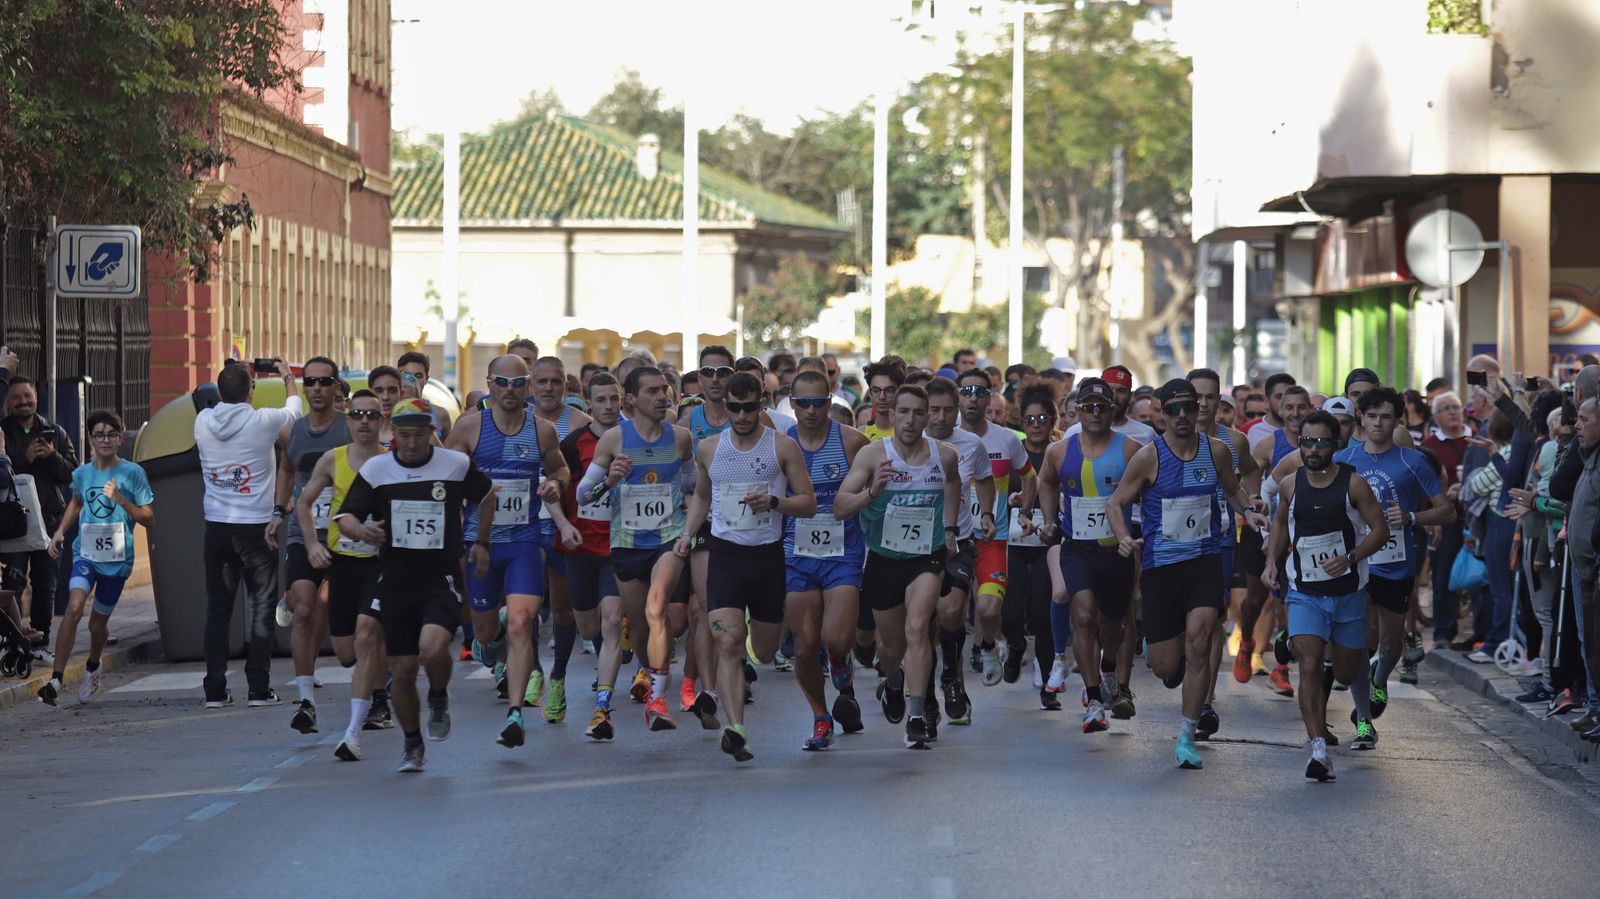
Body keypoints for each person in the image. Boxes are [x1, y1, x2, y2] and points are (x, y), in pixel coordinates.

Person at [1106, 380, 1266, 770]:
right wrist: (1125, 537)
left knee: (1200, 639)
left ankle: (1186, 735)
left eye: (1188, 409)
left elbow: (1232, 489)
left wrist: (1251, 509)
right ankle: (1161, 654)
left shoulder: (1215, 451)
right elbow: (1116, 502)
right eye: (1173, 410)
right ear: (1161, 413)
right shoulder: (1148, 457)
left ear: (1198, 411)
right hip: (1162, 567)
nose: (1181, 417)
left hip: (1204, 560)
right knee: (1166, 667)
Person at [333, 398, 495, 773]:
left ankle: (438, 695)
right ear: (394, 435)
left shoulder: (454, 465)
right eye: (403, 436)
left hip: (440, 576)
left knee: (433, 647)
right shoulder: (377, 469)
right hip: (396, 579)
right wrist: (362, 529)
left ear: (431, 434)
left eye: (418, 435)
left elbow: (487, 495)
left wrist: (481, 542)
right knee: (402, 673)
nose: (410, 443)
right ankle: (412, 743)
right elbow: (345, 516)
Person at [677, 372, 815, 761]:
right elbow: (702, 498)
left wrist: (774, 503)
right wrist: (688, 534)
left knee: (766, 652)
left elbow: (808, 502)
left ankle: (759, 642)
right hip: (725, 555)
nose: (740, 415)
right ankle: (735, 727)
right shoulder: (709, 449)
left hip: (767, 557)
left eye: (749, 407)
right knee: (728, 642)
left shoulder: (782, 447)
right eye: (733, 407)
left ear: (762, 404)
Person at [443, 355, 572, 748]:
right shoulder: (469, 428)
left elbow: (561, 470)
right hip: (478, 544)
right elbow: (444, 479)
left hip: (524, 542)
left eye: (519, 383)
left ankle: (515, 713)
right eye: (502, 382)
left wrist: (555, 485)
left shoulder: (542, 431)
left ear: (529, 385)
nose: (511, 390)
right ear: (490, 383)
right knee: (486, 631)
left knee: (521, 623)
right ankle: (488, 638)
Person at [1262, 411, 1390, 781]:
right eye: (1306, 441)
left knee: (1348, 671)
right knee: (1309, 663)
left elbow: (1379, 530)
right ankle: (1318, 748)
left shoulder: (1355, 485)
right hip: (1304, 592)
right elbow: (1281, 527)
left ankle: (1359, 707)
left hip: (1348, 592)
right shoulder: (1290, 484)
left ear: (1335, 445)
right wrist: (1271, 561)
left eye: (1321, 442)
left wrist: (1351, 558)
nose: (1313, 449)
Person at [834, 384, 963, 749]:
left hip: (928, 554)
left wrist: (950, 528)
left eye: (918, 413)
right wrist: (872, 492)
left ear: (927, 416)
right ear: (891, 413)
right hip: (884, 559)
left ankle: (918, 715)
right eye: (903, 412)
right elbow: (841, 506)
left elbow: (953, 484)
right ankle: (893, 680)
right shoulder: (874, 455)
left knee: (918, 627)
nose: (910, 420)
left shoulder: (945, 455)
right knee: (891, 646)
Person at [576, 365, 696, 732]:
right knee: (641, 627)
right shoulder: (614, 440)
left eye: (665, 390)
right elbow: (583, 494)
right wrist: (609, 480)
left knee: (657, 608)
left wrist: (689, 520)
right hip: (627, 543)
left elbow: (692, 483)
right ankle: (655, 669)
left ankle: (658, 701)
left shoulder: (680, 438)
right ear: (631, 399)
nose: (663, 397)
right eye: (652, 391)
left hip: (667, 538)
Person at [1335, 386, 1453, 749]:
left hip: (1396, 562)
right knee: (1357, 640)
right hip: (1358, 560)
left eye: (1385, 417)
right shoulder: (1344, 458)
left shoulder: (1411, 461)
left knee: (1390, 641)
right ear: (1361, 419)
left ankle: (1380, 678)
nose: (1377, 424)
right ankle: (1364, 723)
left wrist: (1411, 516)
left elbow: (1446, 511)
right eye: (1371, 416)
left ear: (1396, 421)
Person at [196, 359, 302, 708]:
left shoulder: (203, 421)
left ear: (219, 392)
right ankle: (258, 688)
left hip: (217, 527)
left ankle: (214, 689)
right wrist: (286, 375)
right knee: (260, 608)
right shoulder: (264, 420)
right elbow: (296, 414)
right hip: (257, 528)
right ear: (251, 391)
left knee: (217, 610)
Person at [1037, 379, 1140, 732]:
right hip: (1077, 548)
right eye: (1088, 406)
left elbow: (1152, 488)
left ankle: (1109, 665)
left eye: (1102, 406)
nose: (1095, 412)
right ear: (1077, 411)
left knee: (1114, 624)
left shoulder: (1132, 450)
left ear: (1114, 410)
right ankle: (1093, 699)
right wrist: (1050, 520)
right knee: (1082, 615)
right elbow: (1046, 482)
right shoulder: (1060, 451)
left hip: (1116, 552)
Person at [295, 389, 393, 757]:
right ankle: (378, 687)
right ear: (348, 421)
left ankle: (354, 731)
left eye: (372, 415)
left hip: (380, 563)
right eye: (358, 415)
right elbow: (303, 505)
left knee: (368, 636)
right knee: (347, 650)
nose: (365, 421)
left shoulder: (391, 461)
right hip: (343, 561)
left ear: (381, 421)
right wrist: (312, 545)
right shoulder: (332, 460)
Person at [35, 411, 154, 706]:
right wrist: (60, 531)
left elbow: (149, 518)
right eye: (99, 434)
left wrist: (121, 500)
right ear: (90, 439)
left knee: (97, 626)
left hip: (117, 561)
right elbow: (76, 500)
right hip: (85, 554)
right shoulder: (82, 474)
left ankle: (93, 666)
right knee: (74, 606)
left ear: (120, 438)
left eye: (112, 434)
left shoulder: (132, 474)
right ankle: (56, 679)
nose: (106, 440)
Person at [781, 370, 871, 748]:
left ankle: (840, 662)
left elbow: (876, 488)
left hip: (842, 552)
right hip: (795, 553)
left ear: (830, 401)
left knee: (837, 637)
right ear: (792, 402)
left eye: (819, 402)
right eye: (802, 403)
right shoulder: (780, 445)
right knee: (803, 647)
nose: (811, 410)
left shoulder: (852, 442)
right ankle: (820, 716)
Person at [268, 356, 350, 734]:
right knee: (303, 608)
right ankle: (305, 700)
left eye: (324, 382)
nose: (316, 388)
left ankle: (376, 690)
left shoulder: (350, 429)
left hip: (347, 536)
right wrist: (278, 511)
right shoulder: (294, 432)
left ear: (336, 387)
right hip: (305, 532)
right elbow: (287, 469)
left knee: (332, 618)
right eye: (310, 382)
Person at [1190, 367, 1261, 741]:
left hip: (1218, 540)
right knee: (1175, 637)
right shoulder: (1164, 442)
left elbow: (1251, 474)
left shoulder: (1235, 441)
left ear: (1220, 400)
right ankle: (1181, 673)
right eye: (1195, 396)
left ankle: (1205, 699)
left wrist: (1253, 503)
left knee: (1213, 618)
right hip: (1173, 543)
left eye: (1210, 397)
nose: (1202, 403)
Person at [956, 368, 1035, 685]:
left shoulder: (1006, 438)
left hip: (993, 540)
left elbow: (1030, 477)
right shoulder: (940, 439)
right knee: (945, 615)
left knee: (988, 610)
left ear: (989, 396)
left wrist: (1025, 512)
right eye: (966, 392)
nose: (973, 398)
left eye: (979, 391)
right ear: (957, 398)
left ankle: (989, 644)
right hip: (952, 540)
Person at [925, 377, 994, 725]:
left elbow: (984, 478)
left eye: (947, 410)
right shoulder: (905, 443)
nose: (939, 417)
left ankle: (952, 676)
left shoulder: (971, 444)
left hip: (959, 542)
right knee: (921, 625)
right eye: (933, 410)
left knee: (951, 611)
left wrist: (987, 513)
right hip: (915, 547)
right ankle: (923, 696)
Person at [560, 372, 625, 740]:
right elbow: (555, 490)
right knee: (588, 627)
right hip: (582, 546)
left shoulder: (634, 440)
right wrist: (562, 525)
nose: (609, 406)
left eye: (614, 399)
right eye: (601, 400)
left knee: (612, 621)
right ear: (588, 403)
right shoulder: (572, 444)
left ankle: (602, 708)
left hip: (617, 546)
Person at [528, 355, 590, 720]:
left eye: (556, 382)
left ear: (565, 387)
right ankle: (534, 670)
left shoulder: (579, 423)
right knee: (528, 603)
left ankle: (559, 677)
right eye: (542, 382)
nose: (549, 388)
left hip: (564, 523)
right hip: (524, 525)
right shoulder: (517, 422)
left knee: (564, 610)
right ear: (531, 385)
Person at [1245, 385, 1314, 696]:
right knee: (1265, 601)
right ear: (1279, 410)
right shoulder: (1268, 445)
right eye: (1290, 408)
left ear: (1310, 409)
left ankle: (1283, 665)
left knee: (1292, 604)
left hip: (1312, 537)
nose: (1296, 414)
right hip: (1278, 535)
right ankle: (1254, 648)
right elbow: (1254, 485)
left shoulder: (1321, 443)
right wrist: (1265, 529)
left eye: (1302, 407)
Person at [3, 375, 81, 649]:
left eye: (28, 395)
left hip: (49, 521)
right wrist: (26, 459)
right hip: (13, 522)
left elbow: (72, 473)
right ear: (8, 403)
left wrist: (51, 455)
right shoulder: (3, 433)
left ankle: (41, 642)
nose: (23, 402)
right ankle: (14, 642)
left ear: (36, 396)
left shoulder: (55, 432)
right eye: (16, 397)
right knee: (12, 583)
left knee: (46, 584)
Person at [1003, 383, 1063, 709]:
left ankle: (1047, 689)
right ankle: (1013, 647)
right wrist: (1009, 499)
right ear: (1021, 422)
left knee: (1042, 614)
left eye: (1043, 418)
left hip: (1047, 542)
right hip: (1012, 539)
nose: (1036, 424)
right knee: (1011, 613)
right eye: (1029, 419)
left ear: (1053, 420)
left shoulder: (1061, 452)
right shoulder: (1013, 451)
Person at [1422, 391, 1471, 649]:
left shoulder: (1476, 440)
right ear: (1436, 416)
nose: (1453, 412)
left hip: (1474, 518)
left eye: (1457, 406)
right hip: (1444, 519)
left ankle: (1480, 632)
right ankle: (1443, 632)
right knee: (1442, 575)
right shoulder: (1430, 445)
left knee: (1478, 575)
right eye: (1447, 408)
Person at [396, 351, 451, 440]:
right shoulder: (386, 413)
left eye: (418, 376)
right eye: (407, 375)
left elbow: (447, 453)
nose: (412, 380)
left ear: (426, 379)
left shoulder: (440, 415)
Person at [1245, 373, 1296, 450]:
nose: (1285, 402)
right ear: (1267, 401)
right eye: (1279, 397)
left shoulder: (1305, 430)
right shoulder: (1254, 432)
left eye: (1289, 396)